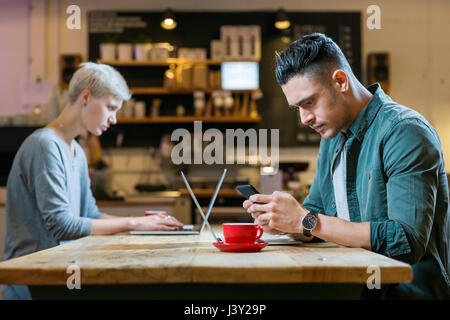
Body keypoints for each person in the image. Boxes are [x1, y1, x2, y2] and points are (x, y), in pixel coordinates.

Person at [244, 33, 449, 299]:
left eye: (309, 102)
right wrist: (286, 222)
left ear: (340, 81)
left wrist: (304, 220)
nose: (305, 118)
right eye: (297, 108)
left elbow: (406, 241)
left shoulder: (404, 131)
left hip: (405, 294)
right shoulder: (331, 137)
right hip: (355, 287)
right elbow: (316, 215)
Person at [2, 62, 183, 300]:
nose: (114, 119)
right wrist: (134, 223)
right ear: (85, 97)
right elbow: (62, 225)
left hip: (57, 278)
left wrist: (147, 225)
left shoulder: (76, 150)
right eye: (110, 107)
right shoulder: (45, 145)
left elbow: (90, 214)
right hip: (31, 284)